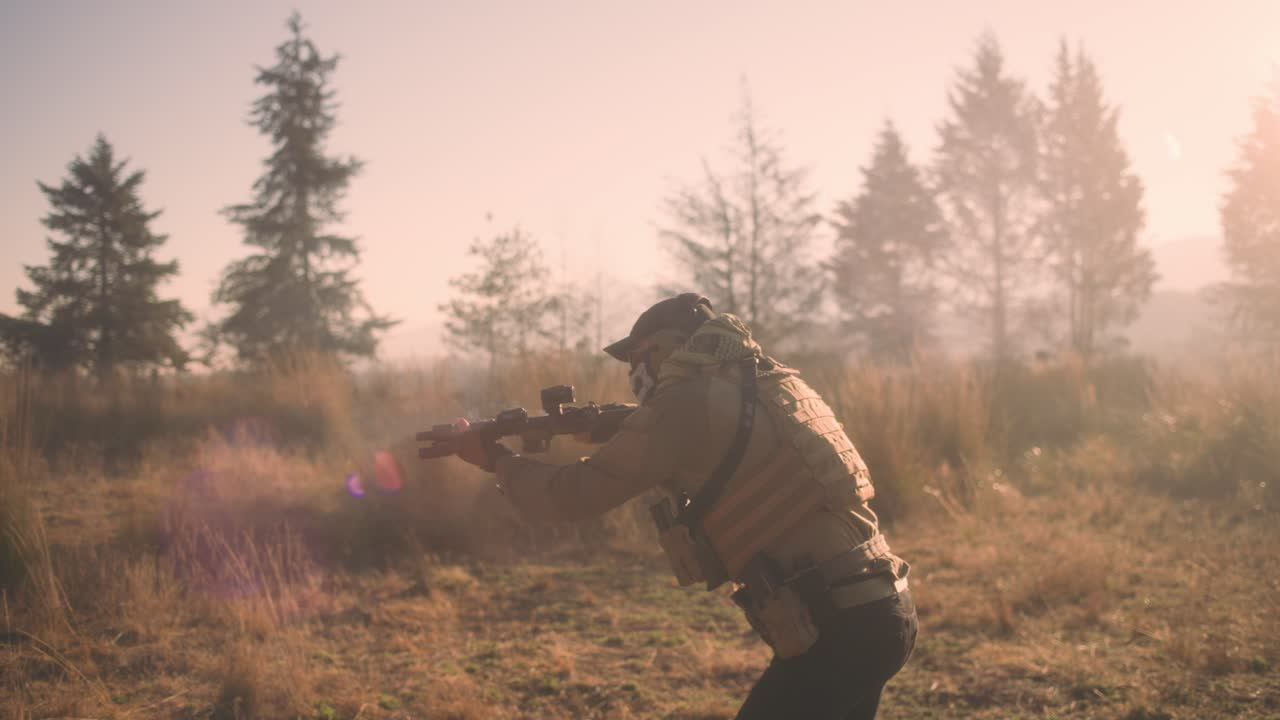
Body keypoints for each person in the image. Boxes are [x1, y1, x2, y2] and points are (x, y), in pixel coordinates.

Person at [456, 293, 917, 719]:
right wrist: (622, 430)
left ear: (664, 350)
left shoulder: (684, 403)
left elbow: (574, 494)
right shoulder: (773, 381)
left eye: (636, 357)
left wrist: (497, 461)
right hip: (882, 609)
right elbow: (724, 440)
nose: (634, 372)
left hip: (833, 629)